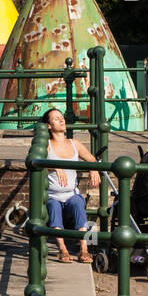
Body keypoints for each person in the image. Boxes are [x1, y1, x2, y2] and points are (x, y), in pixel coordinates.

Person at [42, 107, 100, 263]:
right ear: (48, 125)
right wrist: (55, 166)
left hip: (70, 194)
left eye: (61, 117)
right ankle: (63, 250)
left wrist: (93, 170)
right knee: (53, 207)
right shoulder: (47, 145)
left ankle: (84, 250)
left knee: (78, 202)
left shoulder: (74, 143)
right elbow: (35, 162)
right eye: (56, 119)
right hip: (53, 196)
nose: (61, 120)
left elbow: (92, 159)